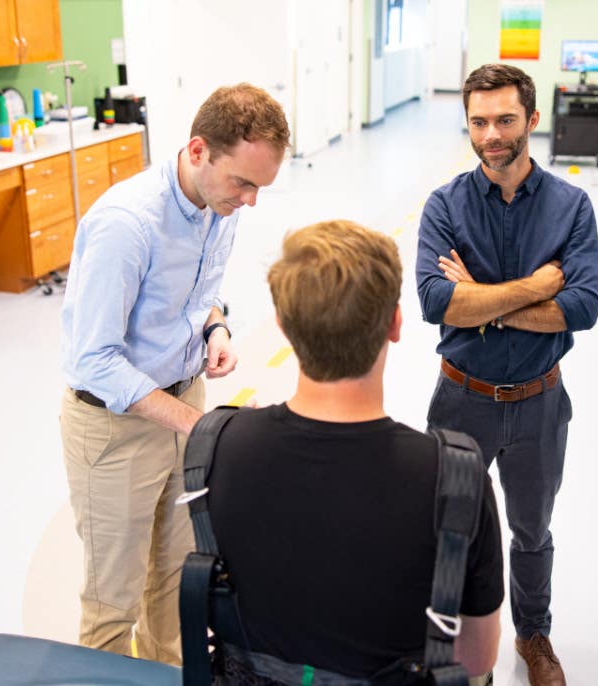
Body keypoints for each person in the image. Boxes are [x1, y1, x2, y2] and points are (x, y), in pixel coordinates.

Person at [202, 220, 504, 680]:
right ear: (395, 324)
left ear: (283, 325)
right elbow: (476, 659)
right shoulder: (456, 478)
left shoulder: (217, 446)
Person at [58, 83, 290, 663]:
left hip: (184, 402)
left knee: (175, 584)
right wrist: (199, 424)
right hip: (114, 428)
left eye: (260, 188)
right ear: (197, 151)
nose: (250, 201)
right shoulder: (126, 223)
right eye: (243, 183)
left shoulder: (219, 205)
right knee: (112, 604)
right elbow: (94, 359)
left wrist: (216, 329)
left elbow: (196, 293)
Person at [415, 64, 598, 686]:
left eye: (504, 120)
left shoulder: (571, 208)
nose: (491, 135)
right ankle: (440, 640)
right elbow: (437, 301)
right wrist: (535, 288)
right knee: (448, 527)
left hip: (538, 404)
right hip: (461, 399)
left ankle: (534, 636)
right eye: (478, 122)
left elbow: (583, 307)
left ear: (532, 119)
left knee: (531, 531)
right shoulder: (445, 205)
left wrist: (483, 299)